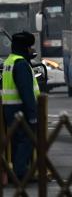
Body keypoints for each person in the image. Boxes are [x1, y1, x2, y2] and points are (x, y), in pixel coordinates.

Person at [2, 32, 40, 181]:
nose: (32, 50)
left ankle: (17, 171)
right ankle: (20, 174)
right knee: (26, 140)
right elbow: (26, 92)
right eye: (30, 47)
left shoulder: (9, 62)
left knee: (16, 141)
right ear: (25, 48)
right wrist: (33, 115)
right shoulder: (21, 64)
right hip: (21, 109)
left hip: (9, 109)